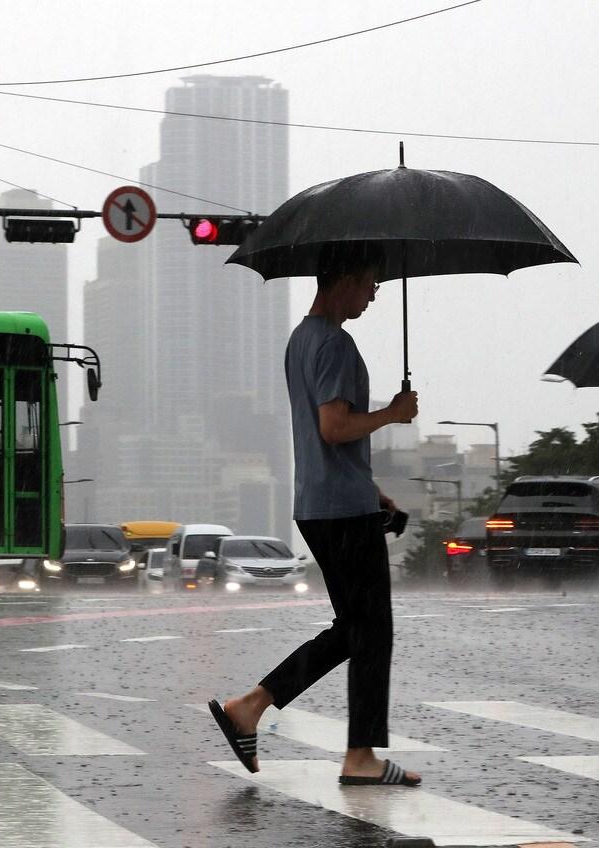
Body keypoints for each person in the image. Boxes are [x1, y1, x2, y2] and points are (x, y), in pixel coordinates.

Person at [210, 242, 422, 786]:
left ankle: (251, 707)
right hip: (340, 510)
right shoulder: (334, 345)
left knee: (356, 630)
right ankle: (359, 756)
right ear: (344, 279)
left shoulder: (300, 341)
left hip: (324, 502)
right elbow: (332, 428)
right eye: (371, 282)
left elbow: (321, 438)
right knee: (371, 632)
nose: (375, 293)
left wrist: (371, 489)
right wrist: (392, 415)